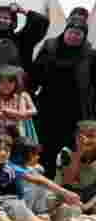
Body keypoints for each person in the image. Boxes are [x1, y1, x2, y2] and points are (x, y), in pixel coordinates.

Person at [31, 17, 96, 176]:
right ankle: (46, 180)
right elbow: (35, 74)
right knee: (47, 147)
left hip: (77, 111)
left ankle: (71, 183)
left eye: (79, 34)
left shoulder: (90, 55)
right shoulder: (50, 47)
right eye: (71, 32)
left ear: (84, 36)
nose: (74, 36)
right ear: (65, 32)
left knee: (74, 149)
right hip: (49, 108)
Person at [0, 3, 49, 97]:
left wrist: (22, 11)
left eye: (6, 18)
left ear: (13, 21)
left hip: (19, 97)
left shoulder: (22, 40)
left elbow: (41, 21)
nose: (2, 20)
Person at [0, 66, 38, 142]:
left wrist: (16, 113)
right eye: (2, 82)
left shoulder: (23, 95)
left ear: (16, 83)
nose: (6, 85)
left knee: (22, 148)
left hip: (21, 130)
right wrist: (15, 114)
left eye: (10, 82)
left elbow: (34, 111)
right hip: (1, 131)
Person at [55, 121, 96, 214]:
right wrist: (79, 153)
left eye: (91, 136)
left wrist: (88, 205)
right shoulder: (66, 153)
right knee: (72, 211)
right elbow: (67, 180)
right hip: (70, 193)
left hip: (91, 194)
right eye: (81, 137)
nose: (86, 140)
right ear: (76, 138)